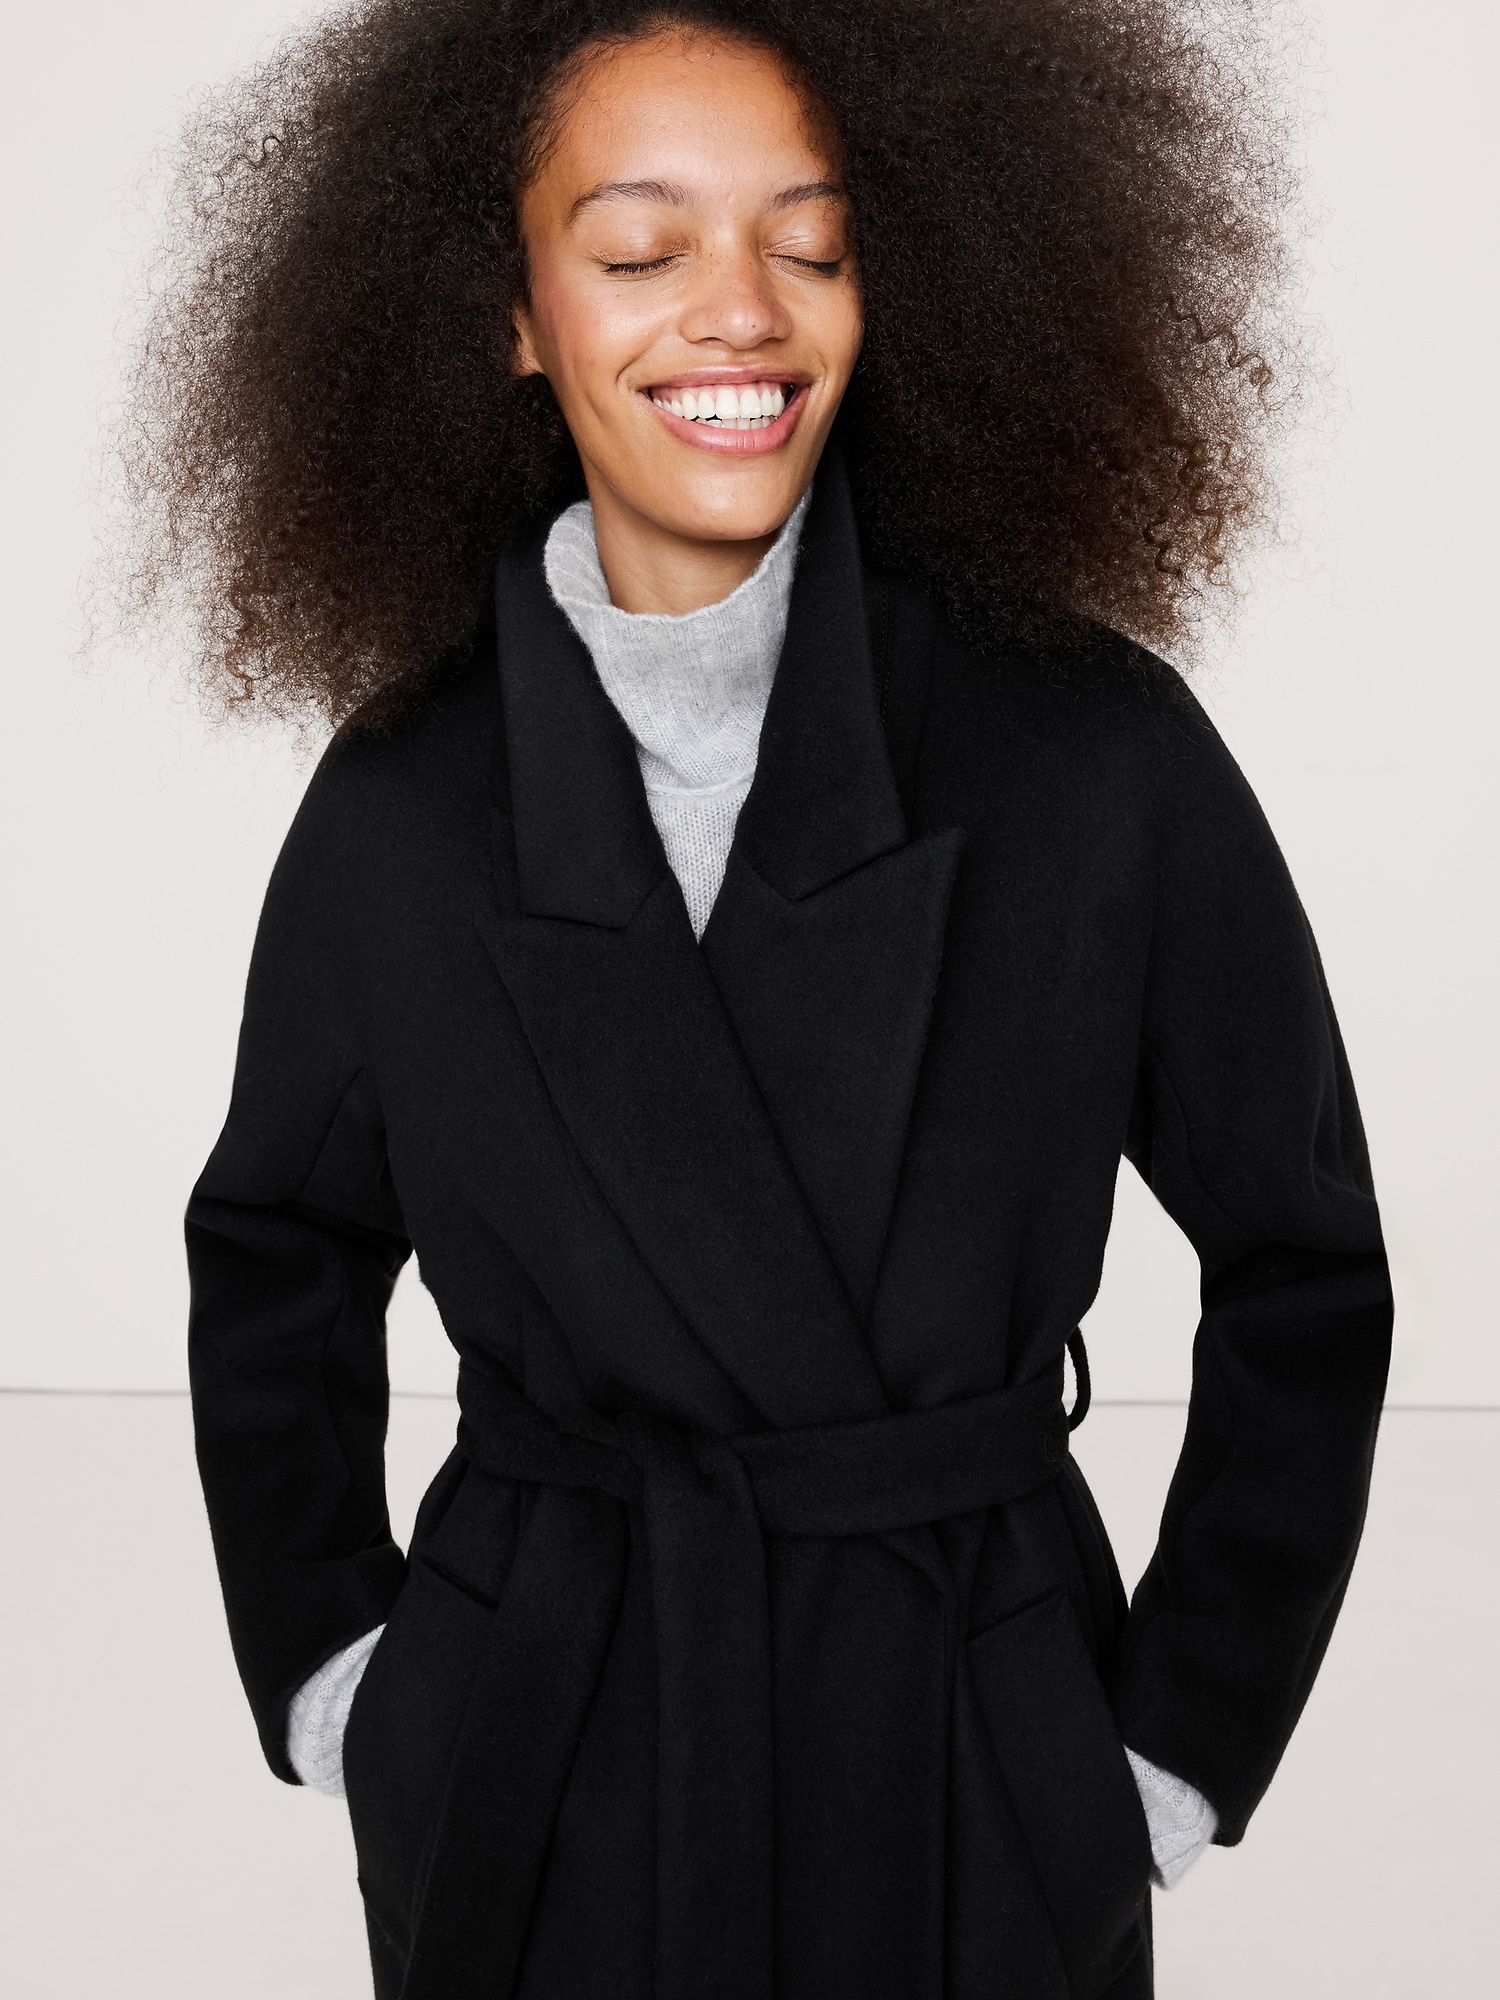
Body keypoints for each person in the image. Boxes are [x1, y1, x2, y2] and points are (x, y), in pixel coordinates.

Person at [156, 3, 1392, 1996]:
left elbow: (1304, 1266)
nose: (739, 311)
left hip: (968, 1754)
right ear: (512, 315)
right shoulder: (404, 800)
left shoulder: (1094, 756)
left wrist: (1166, 1751)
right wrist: (346, 1680)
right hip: (540, 1755)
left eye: (810, 243)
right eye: (641, 249)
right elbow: (276, 1253)